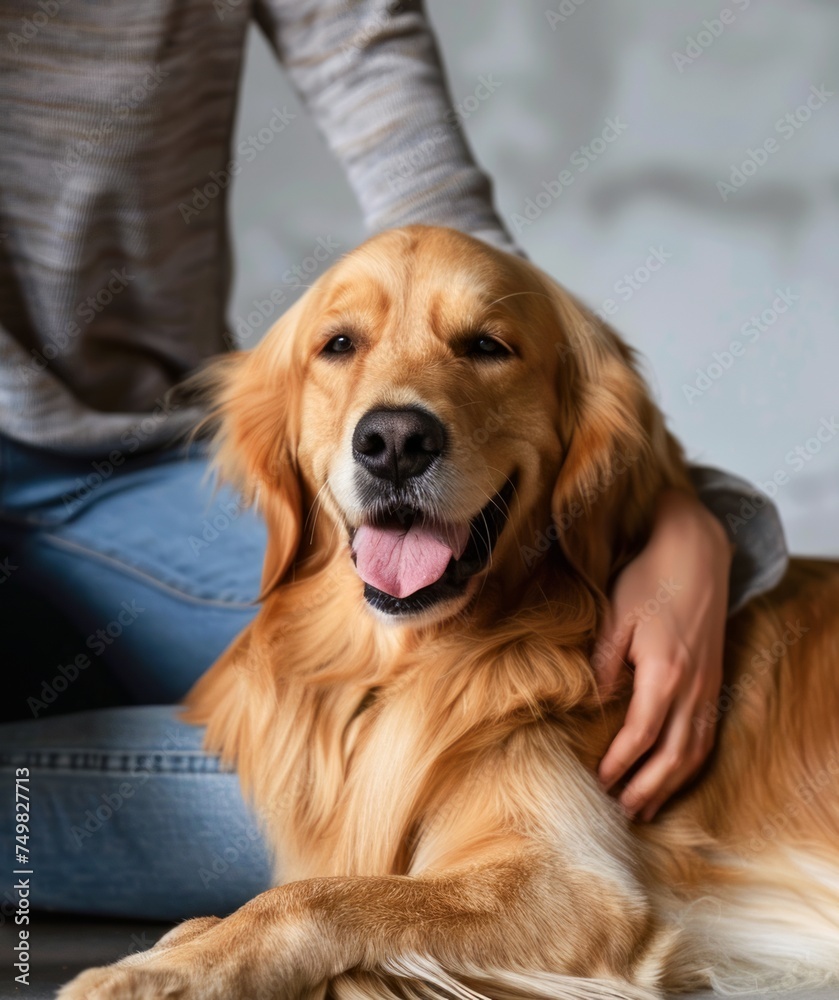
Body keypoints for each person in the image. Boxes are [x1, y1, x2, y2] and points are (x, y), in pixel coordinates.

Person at [0, 0, 787, 921]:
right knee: (429, 805)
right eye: (340, 346)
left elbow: (458, 260)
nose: (393, 430)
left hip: (134, 468)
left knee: (540, 732)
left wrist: (683, 514)